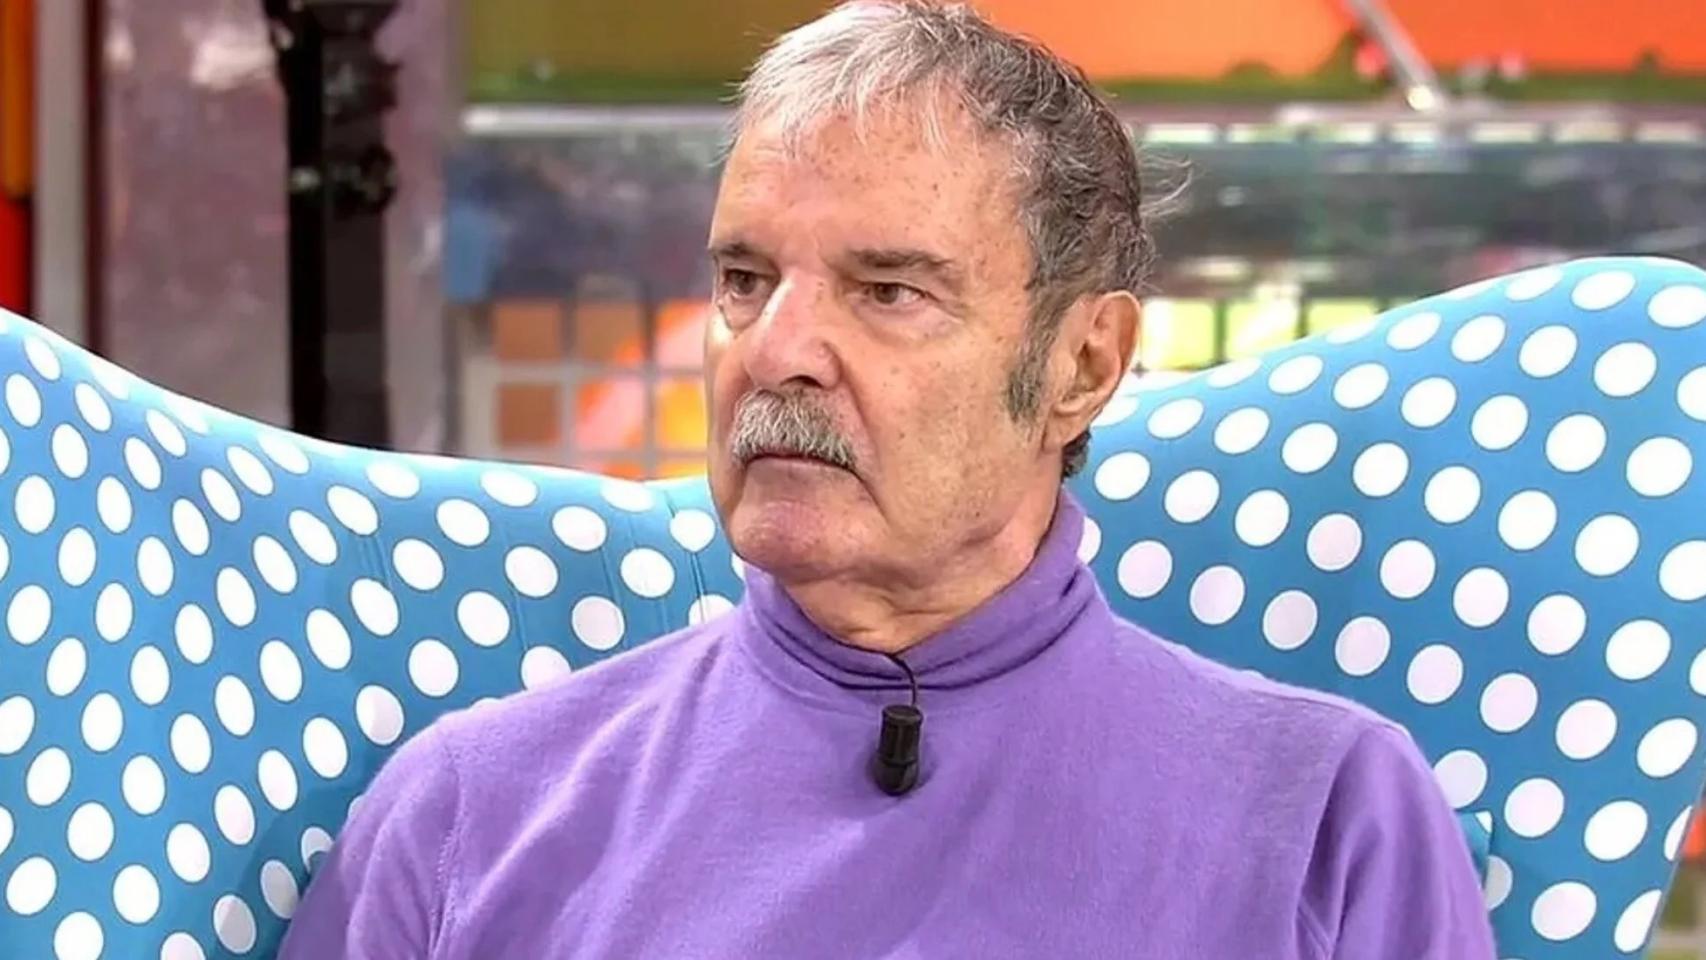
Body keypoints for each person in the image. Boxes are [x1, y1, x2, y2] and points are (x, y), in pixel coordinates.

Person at [280, 3, 1497, 957]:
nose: (776, 351)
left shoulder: (1328, 824)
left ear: (1081, 365)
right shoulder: (468, 817)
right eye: (745, 280)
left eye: (887, 291)